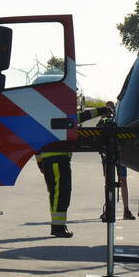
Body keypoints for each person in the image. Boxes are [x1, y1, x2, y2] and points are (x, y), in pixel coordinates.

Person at [36, 101, 114, 238]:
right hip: (57, 159)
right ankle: (58, 227)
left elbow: (34, 141)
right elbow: (81, 116)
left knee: (57, 193)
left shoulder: (44, 115)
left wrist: (40, 162)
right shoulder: (59, 115)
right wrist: (101, 110)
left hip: (53, 159)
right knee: (60, 193)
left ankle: (58, 225)